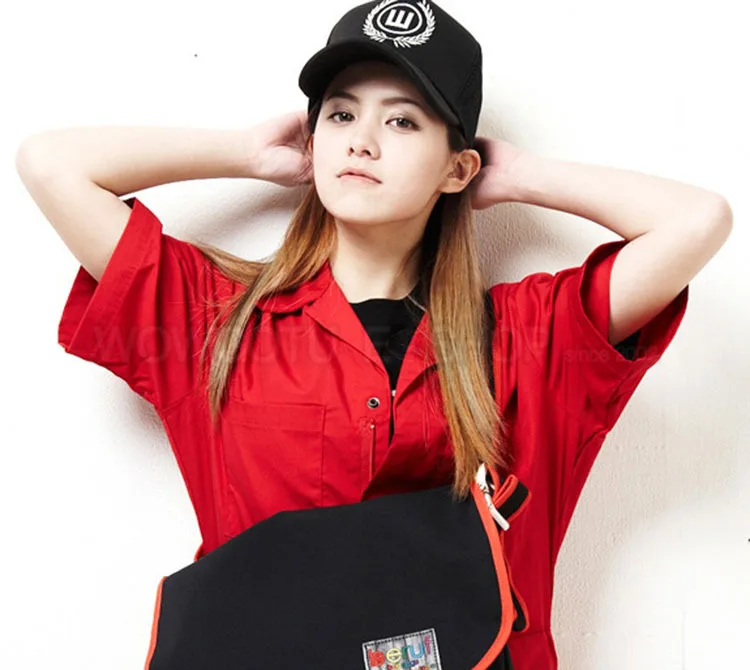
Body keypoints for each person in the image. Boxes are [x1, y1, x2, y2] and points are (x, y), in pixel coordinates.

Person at [15, 1, 731, 668]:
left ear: (458, 167)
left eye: (403, 122)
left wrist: (521, 176)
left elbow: (696, 222)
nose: (361, 140)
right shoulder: (216, 319)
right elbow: (52, 165)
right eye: (340, 114)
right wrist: (244, 153)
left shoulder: (532, 338)